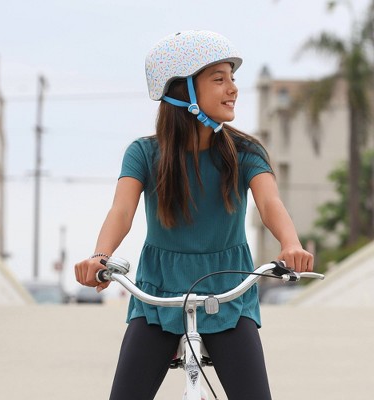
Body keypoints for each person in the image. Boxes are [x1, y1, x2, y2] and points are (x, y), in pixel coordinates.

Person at [75, 30, 314, 399]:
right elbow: (121, 211)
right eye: (219, 79)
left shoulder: (246, 151)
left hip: (229, 291)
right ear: (182, 91)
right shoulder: (143, 154)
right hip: (158, 291)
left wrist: (290, 243)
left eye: (233, 78)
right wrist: (100, 254)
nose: (232, 88)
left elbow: (270, 204)